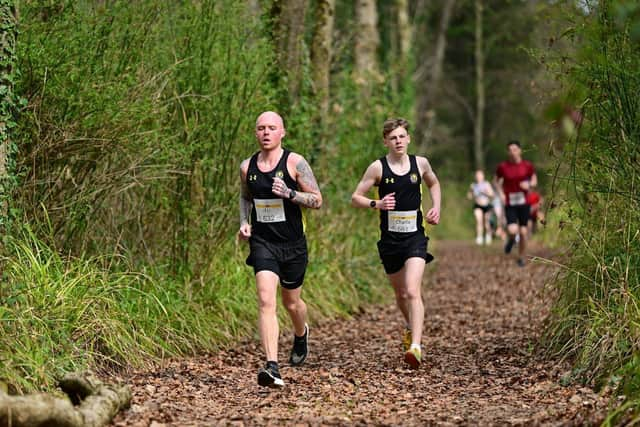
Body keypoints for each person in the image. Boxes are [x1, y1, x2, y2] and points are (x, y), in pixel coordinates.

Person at [238, 111, 323, 388]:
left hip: (293, 245)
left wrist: (290, 193)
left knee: (292, 303)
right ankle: (272, 367)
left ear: (282, 132)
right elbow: (245, 197)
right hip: (263, 243)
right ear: (255, 133)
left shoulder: (295, 162)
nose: (266, 133)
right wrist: (244, 222)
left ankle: (301, 333)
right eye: (261, 128)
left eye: (271, 128)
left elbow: (317, 200)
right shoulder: (246, 166)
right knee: (265, 300)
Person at [351, 118, 441, 369]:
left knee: (413, 290)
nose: (398, 141)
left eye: (402, 137)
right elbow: (355, 196)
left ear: (408, 139)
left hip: (415, 237)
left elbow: (434, 183)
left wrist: (436, 207)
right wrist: (376, 204)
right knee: (400, 293)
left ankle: (416, 345)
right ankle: (411, 327)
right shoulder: (377, 168)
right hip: (390, 240)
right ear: (386, 142)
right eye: (393, 138)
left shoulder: (420, 163)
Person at [494, 140, 537, 267]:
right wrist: (501, 193)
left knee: (523, 232)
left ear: (520, 151)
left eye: (515, 149)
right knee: (512, 230)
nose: (512, 152)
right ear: (508, 152)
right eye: (510, 150)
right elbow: (496, 181)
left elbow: (534, 180)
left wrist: (529, 184)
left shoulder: (527, 166)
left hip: (524, 202)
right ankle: (511, 240)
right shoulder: (503, 167)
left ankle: (521, 257)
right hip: (510, 202)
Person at [467, 170, 495, 245]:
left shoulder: (486, 184)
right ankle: (479, 237)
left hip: (486, 205)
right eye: (477, 175)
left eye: (480, 175)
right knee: (478, 221)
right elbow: (469, 196)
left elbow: (492, 195)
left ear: (483, 176)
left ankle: (488, 235)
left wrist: (486, 193)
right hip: (477, 205)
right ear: (475, 177)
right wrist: (472, 195)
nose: (478, 177)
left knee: (486, 222)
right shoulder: (473, 185)